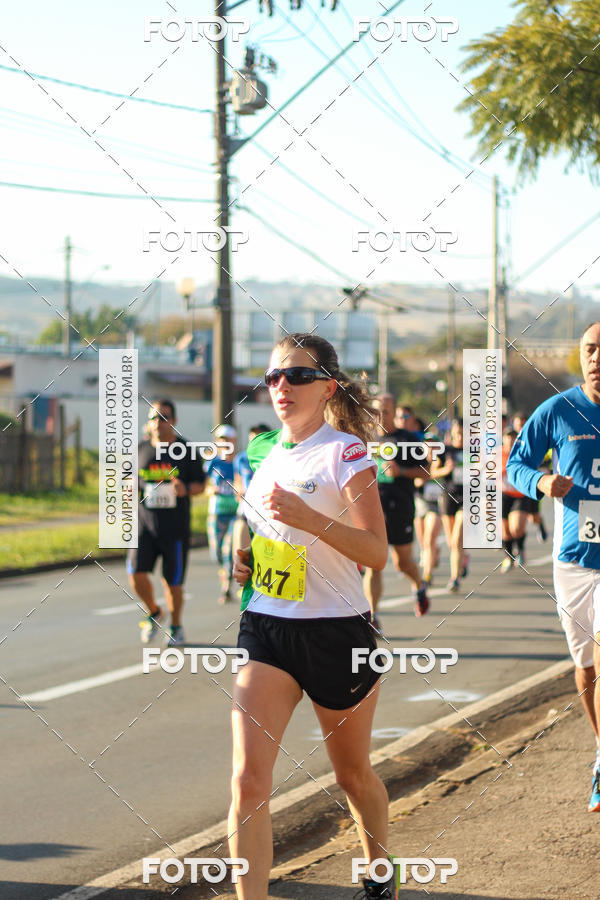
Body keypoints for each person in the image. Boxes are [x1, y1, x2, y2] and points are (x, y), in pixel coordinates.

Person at [229, 333, 391, 900]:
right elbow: (267, 535)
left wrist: (309, 518)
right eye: (273, 376)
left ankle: (379, 872)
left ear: (327, 386)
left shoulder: (344, 452)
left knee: (352, 776)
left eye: (296, 376)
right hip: (267, 628)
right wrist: (247, 559)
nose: (282, 387)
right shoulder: (265, 453)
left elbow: (376, 551)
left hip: (337, 631)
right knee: (249, 782)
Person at [507, 321, 600, 812]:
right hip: (575, 560)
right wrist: (541, 482)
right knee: (585, 668)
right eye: (590, 349)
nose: (596, 357)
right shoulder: (560, 409)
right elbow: (514, 465)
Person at [128, 399, 206, 645]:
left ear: (174, 421)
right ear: (148, 423)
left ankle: (176, 625)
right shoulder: (140, 449)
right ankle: (154, 611)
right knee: (136, 574)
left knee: (172, 582)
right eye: (153, 418)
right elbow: (128, 479)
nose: (157, 423)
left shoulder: (186, 450)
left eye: (163, 418)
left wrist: (185, 489)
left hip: (174, 529)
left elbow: (201, 485)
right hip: (144, 525)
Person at [364, 394, 430, 629]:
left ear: (393, 412)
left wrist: (401, 471)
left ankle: (420, 585)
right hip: (372, 508)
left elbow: (426, 472)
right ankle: (373, 617)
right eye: (377, 411)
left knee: (402, 563)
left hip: (400, 506)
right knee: (375, 563)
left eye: (386, 411)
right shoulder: (365, 439)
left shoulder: (408, 439)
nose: (381, 415)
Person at [431, 419, 467, 593]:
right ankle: (463, 559)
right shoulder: (445, 451)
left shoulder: (475, 451)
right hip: (448, 497)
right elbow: (432, 472)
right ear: (451, 433)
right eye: (456, 433)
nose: (459, 436)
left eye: (462, 433)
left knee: (455, 540)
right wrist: (446, 469)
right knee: (452, 542)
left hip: (468, 499)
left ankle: (455, 579)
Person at [205, 425, 238, 604]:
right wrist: (211, 489)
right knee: (216, 553)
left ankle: (227, 587)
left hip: (234, 513)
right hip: (216, 512)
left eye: (227, 440)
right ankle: (225, 576)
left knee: (228, 551)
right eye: (221, 439)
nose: (224, 443)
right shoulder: (213, 462)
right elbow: (203, 485)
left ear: (234, 441)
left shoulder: (239, 462)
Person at [512, 411, 548, 542]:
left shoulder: (533, 437)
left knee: (533, 516)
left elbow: (545, 456)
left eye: (523, 424)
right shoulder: (510, 438)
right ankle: (517, 547)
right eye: (518, 424)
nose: (520, 427)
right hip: (516, 484)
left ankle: (540, 523)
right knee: (516, 521)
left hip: (532, 480)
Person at [414, 432, 443, 585]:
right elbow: (417, 482)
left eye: (433, 444)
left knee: (429, 539)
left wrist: (440, 469)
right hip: (420, 503)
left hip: (437, 505)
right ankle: (433, 554)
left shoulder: (444, 460)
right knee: (423, 543)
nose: (430, 447)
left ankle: (427, 575)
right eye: (427, 444)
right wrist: (432, 471)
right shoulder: (418, 462)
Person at [500, 428, 529, 572]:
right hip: (503, 494)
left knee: (516, 527)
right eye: (508, 437)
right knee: (505, 531)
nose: (510, 440)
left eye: (513, 437)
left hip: (520, 494)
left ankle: (521, 550)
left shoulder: (522, 452)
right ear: (503, 439)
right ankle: (508, 557)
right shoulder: (496, 454)